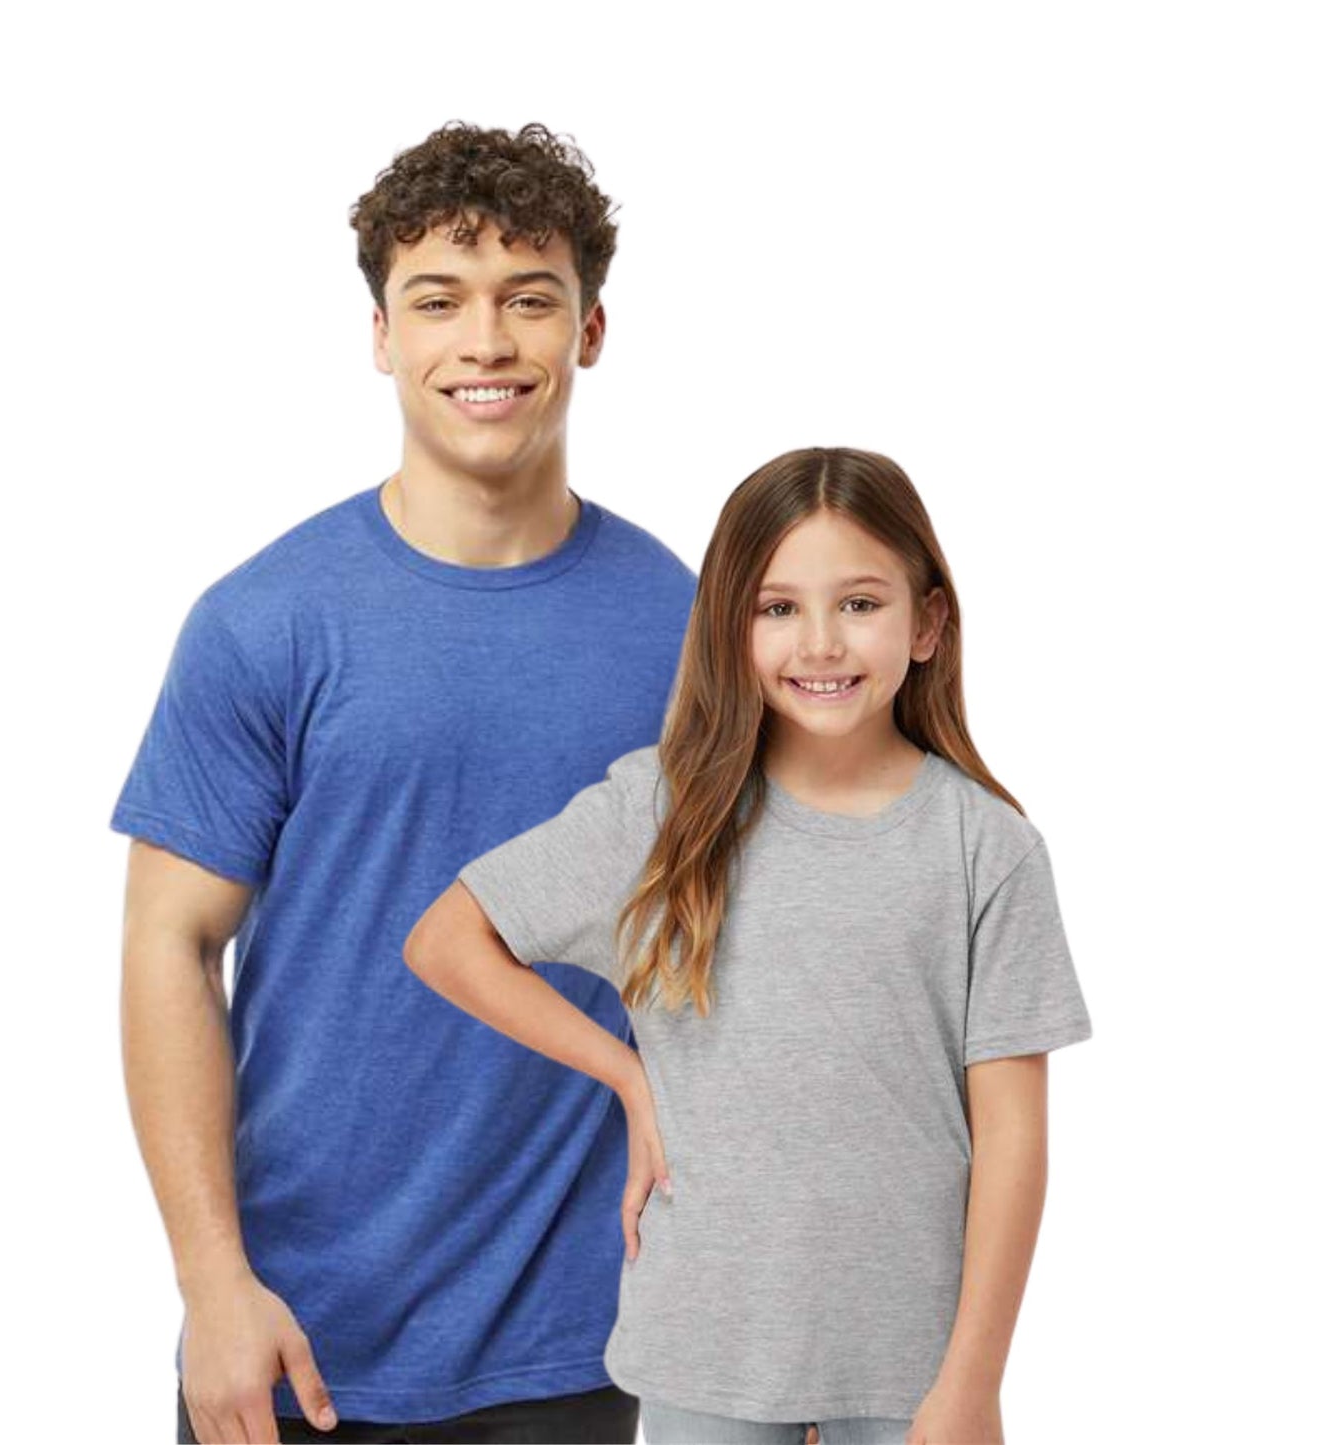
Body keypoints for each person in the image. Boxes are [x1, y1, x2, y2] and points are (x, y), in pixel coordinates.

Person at [111, 121, 698, 1444]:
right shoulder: (265, 622)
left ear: (589, 330)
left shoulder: (686, 625)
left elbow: (745, 955)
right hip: (300, 1336)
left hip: (584, 1340)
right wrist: (213, 1286)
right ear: (382, 334)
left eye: (528, 300)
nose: (483, 341)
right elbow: (169, 944)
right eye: (438, 300)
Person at [406, 447, 1094, 1445]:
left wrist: (970, 1383)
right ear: (731, 627)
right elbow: (447, 939)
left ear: (927, 623)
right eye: (776, 608)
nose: (819, 641)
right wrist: (627, 1077)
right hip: (703, 1352)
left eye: (858, 602)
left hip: (911, 1365)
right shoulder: (657, 810)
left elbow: (1013, 1140)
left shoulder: (983, 846)